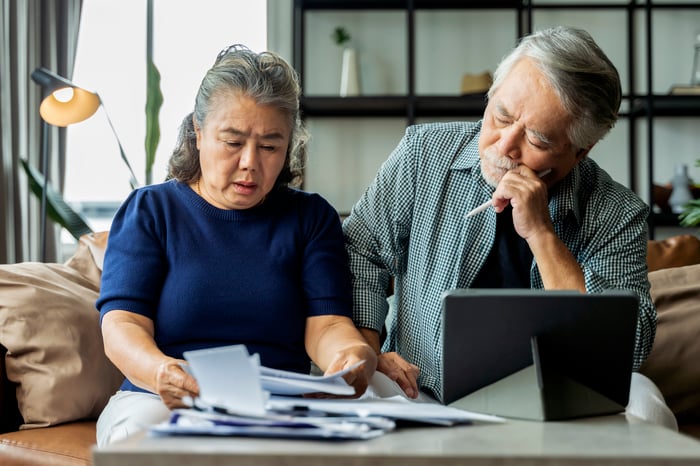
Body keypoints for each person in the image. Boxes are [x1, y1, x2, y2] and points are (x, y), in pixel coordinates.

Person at [344, 26, 677, 429]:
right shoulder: (422, 154)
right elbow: (360, 249)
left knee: (647, 404)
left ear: (579, 151)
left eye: (535, 140)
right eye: (500, 116)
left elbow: (627, 349)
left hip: (563, 399)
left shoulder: (616, 211)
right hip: (420, 385)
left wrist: (541, 233)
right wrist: (368, 346)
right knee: (358, 389)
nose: (503, 146)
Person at [95, 44, 377, 446]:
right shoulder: (151, 210)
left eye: (269, 146)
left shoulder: (311, 218)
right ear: (198, 132)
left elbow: (328, 324)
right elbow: (122, 324)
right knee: (147, 443)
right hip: (160, 398)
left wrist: (349, 357)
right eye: (232, 142)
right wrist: (160, 371)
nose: (250, 162)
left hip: (280, 402)